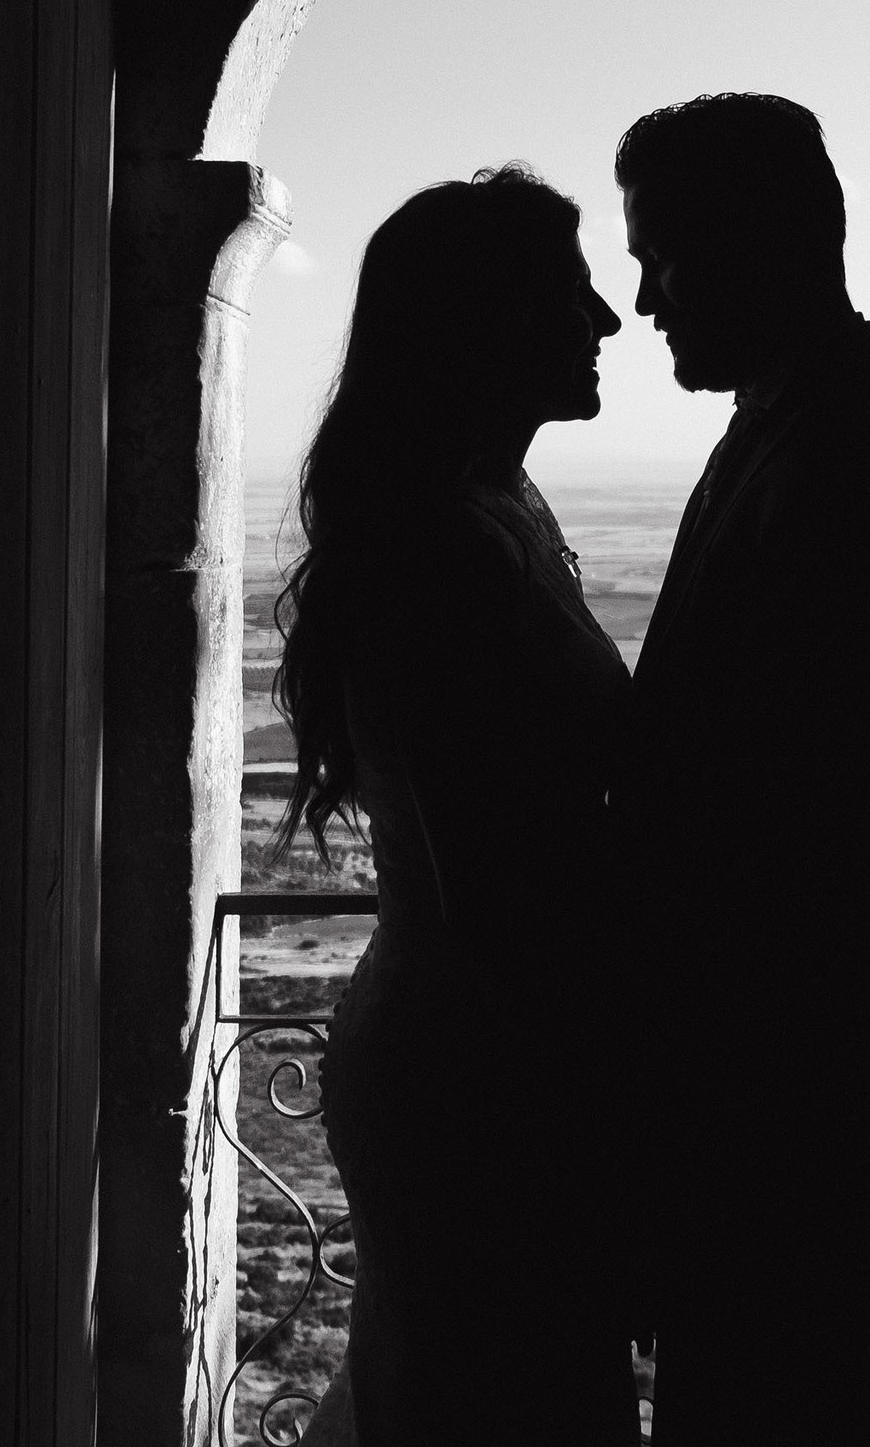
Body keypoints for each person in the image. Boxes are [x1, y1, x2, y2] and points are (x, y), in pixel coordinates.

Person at [609, 95, 870, 1444]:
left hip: (783, 1100)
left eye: (662, 250)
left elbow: (785, 839)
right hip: (789, 1094)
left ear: (757, 240)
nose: (644, 294)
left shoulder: (854, 461)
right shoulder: (818, 431)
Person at [275, 167, 639, 1445]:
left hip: (476, 1058)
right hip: (483, 1083)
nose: (604, 321)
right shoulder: (441, 549)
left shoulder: (484, 517)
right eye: (569, 292)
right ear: (481, 324)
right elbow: (500, 885)